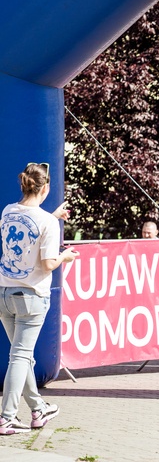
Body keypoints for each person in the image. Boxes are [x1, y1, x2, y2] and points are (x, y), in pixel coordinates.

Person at [0, 162, 77, 434]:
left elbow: (30, 224)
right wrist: (65, 256)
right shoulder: (46, 222)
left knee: (22, 357)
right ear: (45, 188)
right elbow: (47, 264)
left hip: (4, 293)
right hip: (31, 296)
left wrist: (52, 216)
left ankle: (37, 409)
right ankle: (7, 417)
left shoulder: (8, 211)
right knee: (20, 357)